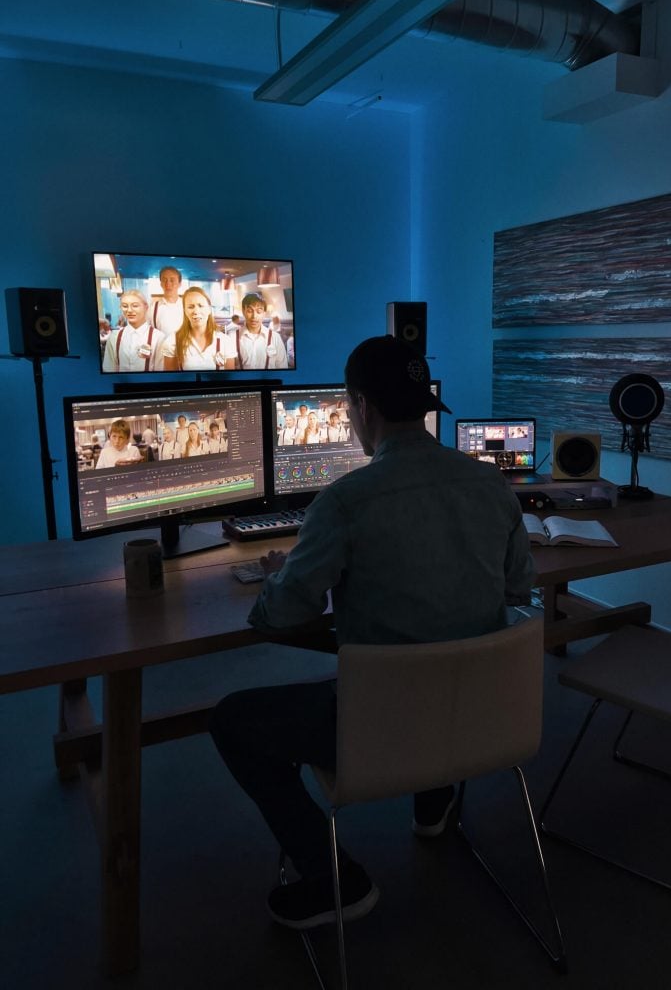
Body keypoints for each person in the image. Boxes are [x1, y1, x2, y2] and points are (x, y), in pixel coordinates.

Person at [209, 335, 533, 932]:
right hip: (484, 715)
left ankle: (332, 876)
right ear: (427, 405)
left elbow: (279, 617)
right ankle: (434, 804)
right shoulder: (493, 486)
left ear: (360, 407)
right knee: (441, 645)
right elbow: (517, 592)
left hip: (382, 728)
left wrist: (281, 577)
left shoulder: (344, 501)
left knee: (232, 720)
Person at [162, 287, 237, 371]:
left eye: (201, 306)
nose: (196, 311)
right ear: (184, 311)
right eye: (190, 307)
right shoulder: (172, 341)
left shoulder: (225, 341)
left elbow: (229, 380)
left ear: (209, 309)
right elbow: (171, 381)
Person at [101, 291, 165, 373]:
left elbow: (160, 372)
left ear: (146, 307)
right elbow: (108, 370)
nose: (129, 310)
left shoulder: (158, 337)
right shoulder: (114, 337)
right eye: (124, 306)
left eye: (135, 306)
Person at [234, 292, 289, 370]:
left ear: (264, 313)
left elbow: (283, 368)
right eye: (249, 311)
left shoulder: (275, 337)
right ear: (243, 311)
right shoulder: (233, 337)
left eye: (259, 311)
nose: (254, 316)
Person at [151, 266, 185, 338]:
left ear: (180, 284)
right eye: (164, 280)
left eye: (172, 280)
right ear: (161, 284)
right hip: (160, 348)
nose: (168, 284)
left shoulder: (187, 306)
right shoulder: (153, 308)